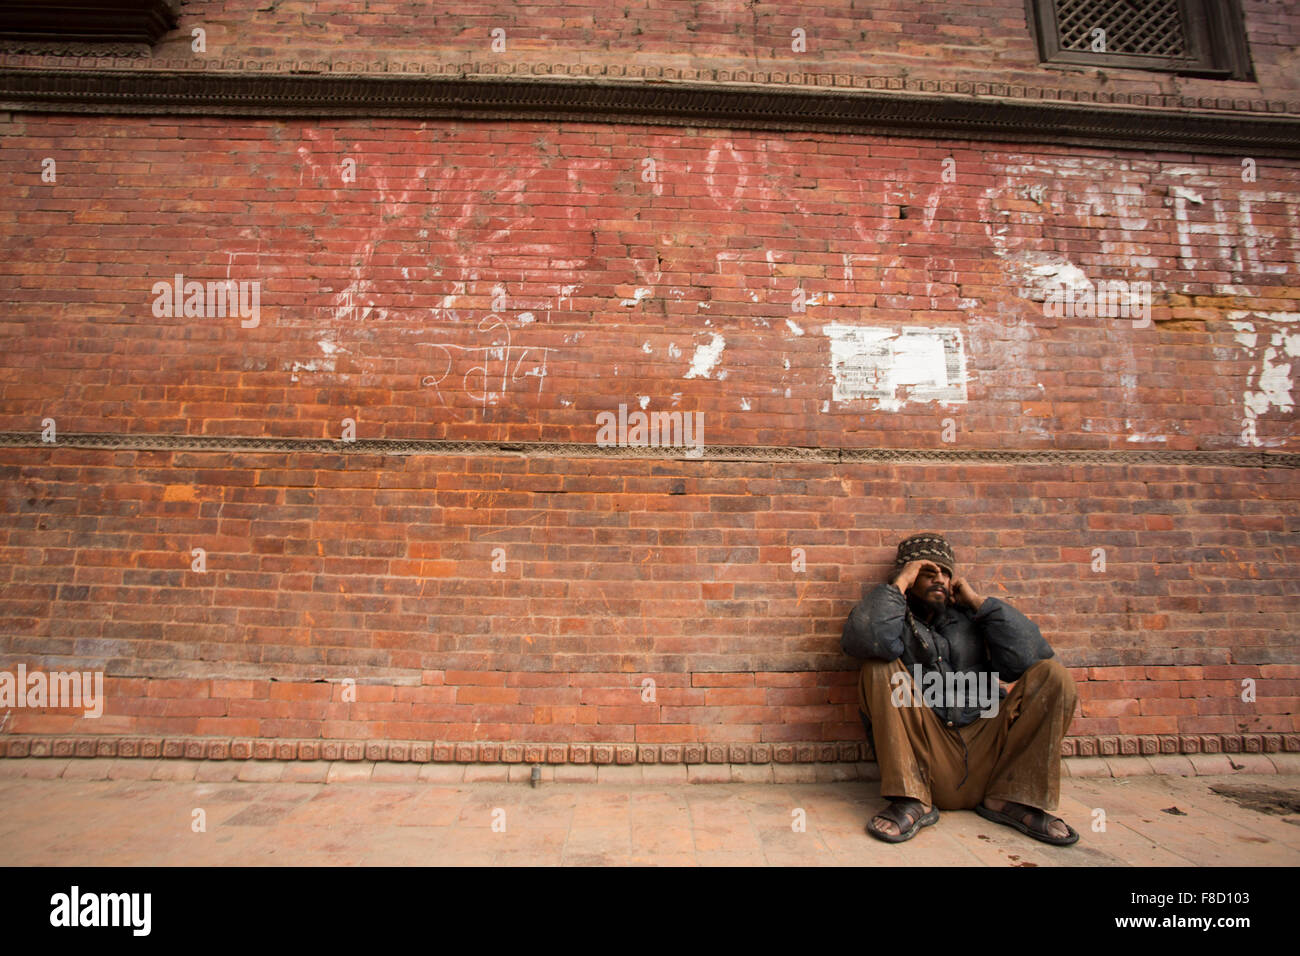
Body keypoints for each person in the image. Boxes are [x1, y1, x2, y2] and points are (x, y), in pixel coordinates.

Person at [841, 533, 1080, 845]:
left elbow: (1030, 657)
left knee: (1054, 675)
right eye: (928, 572)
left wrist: (980, 604)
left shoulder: (975, 618)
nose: (939, 579)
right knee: (878, 666)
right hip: (927, 751)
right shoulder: (892, 616)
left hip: (988, 747)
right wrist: (898, 586)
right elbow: (864, 641)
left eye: (945, 572)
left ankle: (1013, 799)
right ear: (909, 576)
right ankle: (912, 798)